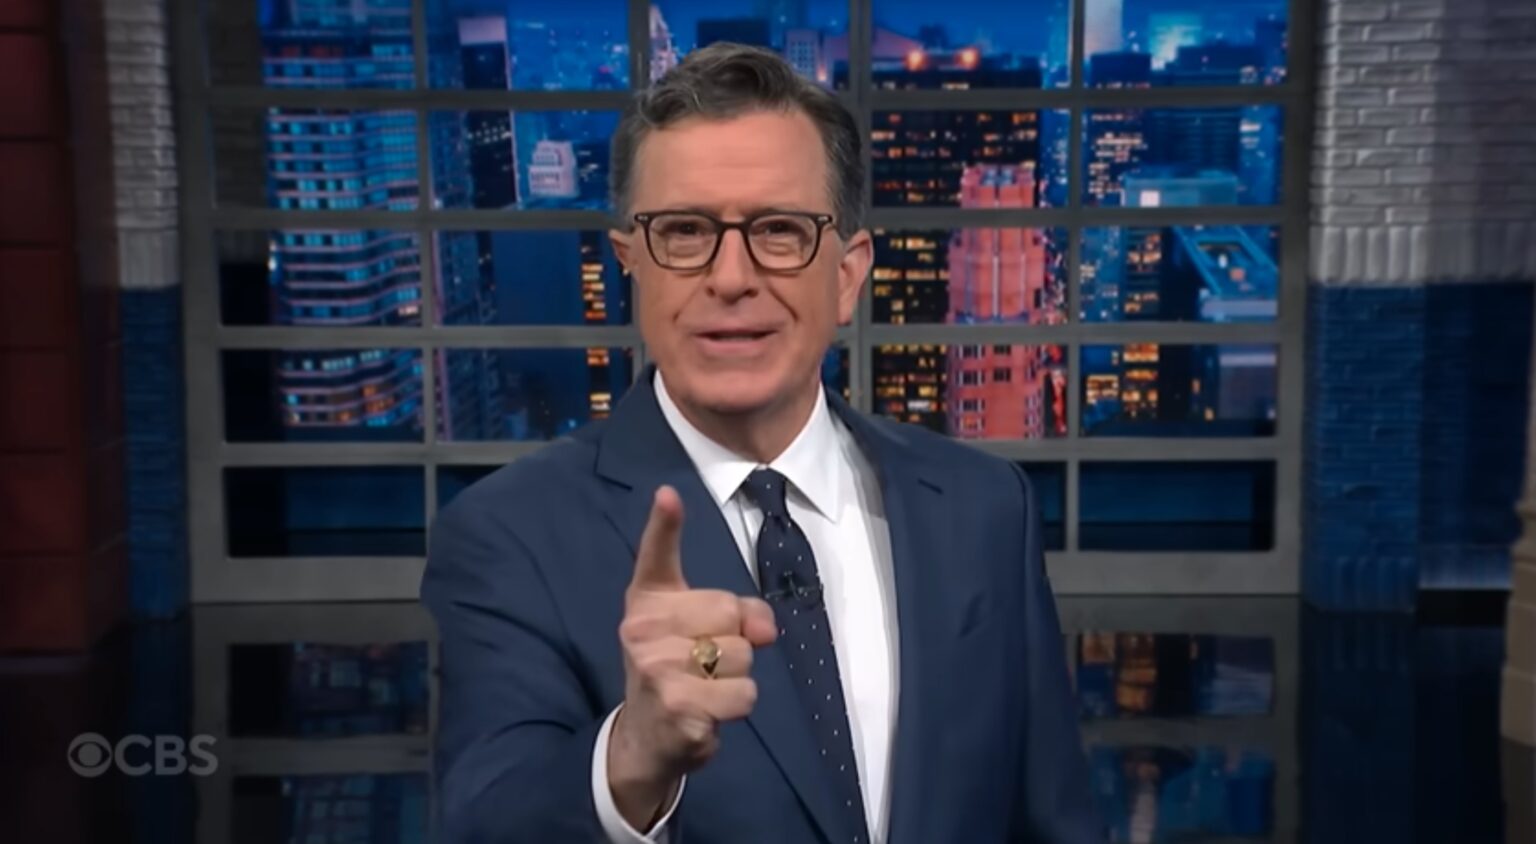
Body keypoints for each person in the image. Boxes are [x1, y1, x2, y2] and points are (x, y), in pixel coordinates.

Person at [421, 42, 1103, 844]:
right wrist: (632, 757)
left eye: (780, 231)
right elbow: (485, 818)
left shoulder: (985, 507)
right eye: (685, 232)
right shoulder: (507, 535)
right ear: (631, 263)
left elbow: (1056, 821)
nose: (732, 277)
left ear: (847, 274)